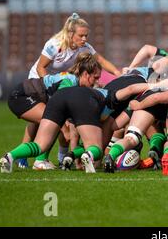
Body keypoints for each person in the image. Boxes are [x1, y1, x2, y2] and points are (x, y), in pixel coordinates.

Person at [24, 12, 121, 166]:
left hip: (63, 83)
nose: (84, 39)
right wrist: (52, 93)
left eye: (86, 36)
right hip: (41, 82)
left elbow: (101, 60)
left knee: (53, 120)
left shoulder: (85, 47)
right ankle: (35, 159)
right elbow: (41, 67)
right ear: (70, 34)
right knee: (46, 119)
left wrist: (117, 73)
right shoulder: (55, 45)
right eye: (81, 35)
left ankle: (59, 158)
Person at [7, 52, 102, 170]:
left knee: (53, 122)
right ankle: (39, 161)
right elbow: (58, 105)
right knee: (54, 121)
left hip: (27, 95)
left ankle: (25, 158)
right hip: (21, 96)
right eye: (96, 78)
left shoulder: (74, 82)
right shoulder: (69, 82)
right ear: (86, 74)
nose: (97, 82)